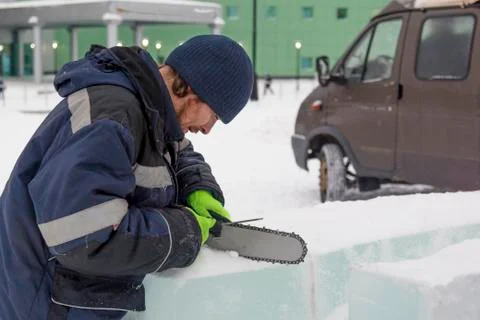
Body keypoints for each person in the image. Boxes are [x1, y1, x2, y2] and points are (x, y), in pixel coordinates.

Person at [0, 34, 253, 319]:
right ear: (194, 92)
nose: (208, 129)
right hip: (43, 304)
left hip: (66, 297)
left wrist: (198, 186)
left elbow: (177, 150)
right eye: (215, 116)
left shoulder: (150, 108)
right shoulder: (111, 119)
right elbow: (86, 238)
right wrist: (184, 231)